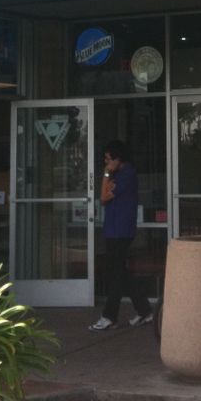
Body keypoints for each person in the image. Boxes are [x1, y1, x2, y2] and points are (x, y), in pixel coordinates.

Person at [89, 140, 153, 331]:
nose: (106, 163)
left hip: (121, 230)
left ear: (119, 158)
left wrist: (107, 173)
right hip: (113, 229)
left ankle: (109, 316)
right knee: (120, 272)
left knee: (115, 273)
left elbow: (103, 197)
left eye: (109, 159)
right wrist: (110, 172)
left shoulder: (127, 174)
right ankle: (144, 310)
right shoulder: (120, 174)